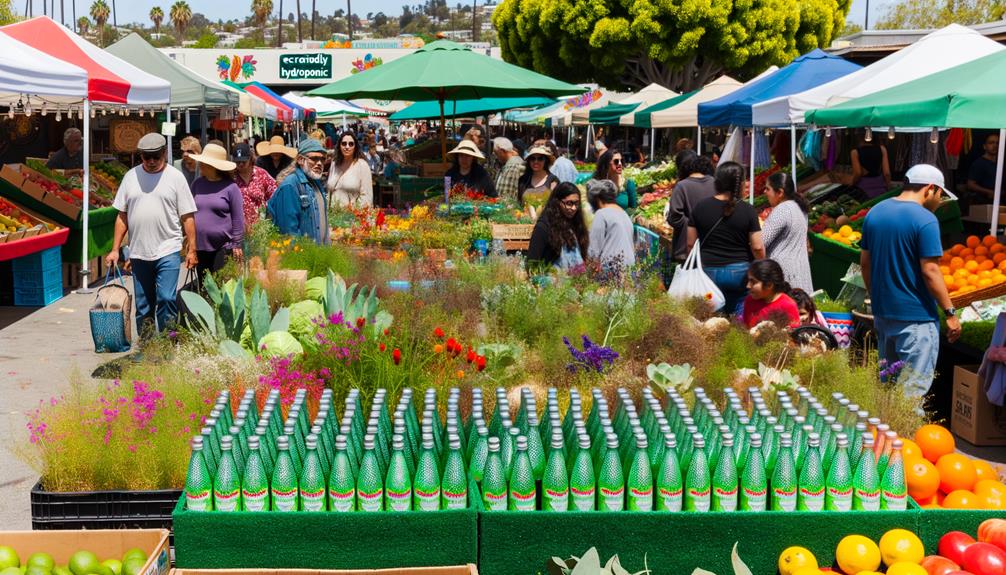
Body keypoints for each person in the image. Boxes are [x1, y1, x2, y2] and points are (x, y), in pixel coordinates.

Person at [860, 164, 961, 402]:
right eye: (941, 196)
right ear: (930, 189)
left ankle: (883, 437)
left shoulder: (875, 212)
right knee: (911, 393)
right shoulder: (926, 220)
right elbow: (930, 270)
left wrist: (876, 296)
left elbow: (865, 263)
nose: (940, 201)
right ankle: (903, 439)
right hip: (917, 318)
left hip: (884, 314)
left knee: (888, 387)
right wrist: (950, 312)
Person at [105, 133, 197, 337]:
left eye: (156, 156)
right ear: (141, 156)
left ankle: (166, 343)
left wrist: (192, 249)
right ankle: (147, 348)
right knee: (144, 304)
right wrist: (114, 250)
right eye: (147, 157)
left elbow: (188, 216)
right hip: (139, 252)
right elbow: (122, 216)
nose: (152, 161)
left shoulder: (175, 177)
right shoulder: (131, 177)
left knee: (166, 298)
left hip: (168, 250)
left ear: (164, 153)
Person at [688, 161, 765, 316]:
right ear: (741, 184)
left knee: (710, 317)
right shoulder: (748, 210)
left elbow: (690, 244)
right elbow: (757, 247)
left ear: (717, 182)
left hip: (707, 272)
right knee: (739, 316)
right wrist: (762, 263)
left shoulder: (700, 207)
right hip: (739, 274)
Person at [188, 143, 244, 277]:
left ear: (213, 166)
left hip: (223, 247)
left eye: (204, 163)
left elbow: (237, 218)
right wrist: (189, 242)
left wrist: (237, 244)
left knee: (220, 287)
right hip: (200, 246)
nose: (200, 165)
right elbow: (190, 213)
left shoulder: (231, 188)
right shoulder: (197, 184)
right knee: (203, 287)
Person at [267, 139, 330, 244]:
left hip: (319, 255)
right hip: (302, 257)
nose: (319, 163)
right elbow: (289, 233)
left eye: (322, 159)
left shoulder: (316, 183)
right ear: (300, 160)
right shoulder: (290, 186)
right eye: (314, 158)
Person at [761, 171, 813, 293]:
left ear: (780, 192)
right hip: (799, 272)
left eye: (767, 189)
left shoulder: (783, 209)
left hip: (785, 274)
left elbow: (761, 243)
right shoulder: (799, 207)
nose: (764, 192)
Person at [527, 182, 589, 270]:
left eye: (576, 203)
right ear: (557, 202)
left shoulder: (576, 224)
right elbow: (531, 263)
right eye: (569, 203)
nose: (574, 208)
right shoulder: (544, 227)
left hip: (576, 281)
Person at [667, 151, 716, 262]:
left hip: (686, 250)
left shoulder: (681, 186)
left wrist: (691, 226)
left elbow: (674, 217)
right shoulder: (715, 183)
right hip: (712, 247)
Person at [586, 179, 635, 272]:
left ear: (597, 199)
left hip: (611, 268)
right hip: (629, 268)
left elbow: (593, 249)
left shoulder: (601, 214)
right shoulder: (624, 214)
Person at [741, 259, 801, 329]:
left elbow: (793, 334)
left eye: (753, 282)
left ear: (769, 285)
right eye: (748, 280)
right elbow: (747, 329)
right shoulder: (749, 301)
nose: (748, 286)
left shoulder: (788, 305)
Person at [232, 143, 277, 231]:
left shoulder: (261, 174)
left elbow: (275, 195)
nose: (240, 164)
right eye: (237, 162)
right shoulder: (231, 178)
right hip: (238, 230)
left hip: (261, 229)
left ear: (250, 158)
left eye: (244, 161)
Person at [328, 131, 375, 207]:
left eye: (351, 144)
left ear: (355, 146)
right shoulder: (334, 164)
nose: (347, 147)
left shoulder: (362, 165)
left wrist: (354, 214)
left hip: (351, 216)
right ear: (339, 146)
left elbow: (367, 196)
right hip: (333, 215)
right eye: (344, 143)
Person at [851, 130, 891, 198]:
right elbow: (887, 173)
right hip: (880, 188)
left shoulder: (855, 152)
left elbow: (858, 173)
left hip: (862, 190)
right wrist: (888, 187)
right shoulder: (882, 149)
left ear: (859, 137)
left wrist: (852, 184)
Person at [967, 132, 1003, 203]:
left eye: (997, 143)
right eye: (991, 143)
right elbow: (970, 184)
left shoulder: (1001, 163)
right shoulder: (979, 163)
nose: (995, 145)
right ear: (984, 146)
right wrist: (989, 192)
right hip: (983, 202)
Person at [493, 137, 524, 203]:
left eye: (496, 153)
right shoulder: (508, 165)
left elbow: (509, 194)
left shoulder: (513, 166)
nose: (496, 156)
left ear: (502, 151)